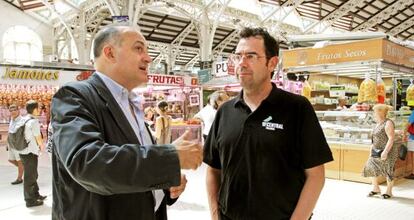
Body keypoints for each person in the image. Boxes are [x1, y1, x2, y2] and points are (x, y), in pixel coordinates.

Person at [50, 23, 203, 220]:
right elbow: (87, 162)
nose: (148, 58)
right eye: (138, 48)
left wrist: (165, 183)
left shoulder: (131, 103)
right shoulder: (75, 96)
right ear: (110, 53)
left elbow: (133, 169)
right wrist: (170, 157)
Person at [203, 27, 333, 219]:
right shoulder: (225, 111)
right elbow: (213, 170)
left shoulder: (297, 108)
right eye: (238, 56)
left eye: (251, 56)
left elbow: (316, 176)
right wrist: (215, 215)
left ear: (272, 63)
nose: (242, 63)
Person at [363, 104, 398, 199]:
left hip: (387, 150)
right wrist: (370, 152)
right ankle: (376, 188)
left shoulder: (388, 123)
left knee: (388, 170)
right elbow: (373, 140)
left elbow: (391, 138)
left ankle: (389, 191)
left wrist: (385, 151)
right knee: (370, 168)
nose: (374, 113)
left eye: (375, 111)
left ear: (380, 112)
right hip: (375, 150)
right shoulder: (377, 123)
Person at [19, 100, 46, 207]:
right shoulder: (33, 121)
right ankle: (30, 200)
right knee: (30, 176)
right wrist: (41, 146)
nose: (39, 110)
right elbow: (38, 138)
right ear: (34, 109)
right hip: (30, 152)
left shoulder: (24, 118)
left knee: (33, 174)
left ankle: (36, 194)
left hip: (23, 151)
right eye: (38, 108)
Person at [6, 104, 24, 185]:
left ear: (18, 110)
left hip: (17, 144)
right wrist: (7, 143)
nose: (13, 112)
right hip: (11, 144)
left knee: (19, 161)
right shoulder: (12, 119)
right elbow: (10, 131)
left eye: (14, 110)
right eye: (11, 110)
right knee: (11, 160)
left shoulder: (21, 120)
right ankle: (25, 168)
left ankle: (19, 178)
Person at [404, 109, 414, 179]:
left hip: (413, 137)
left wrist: (404, 134)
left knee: (413, 155)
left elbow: (409, 123)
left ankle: (413, 173)